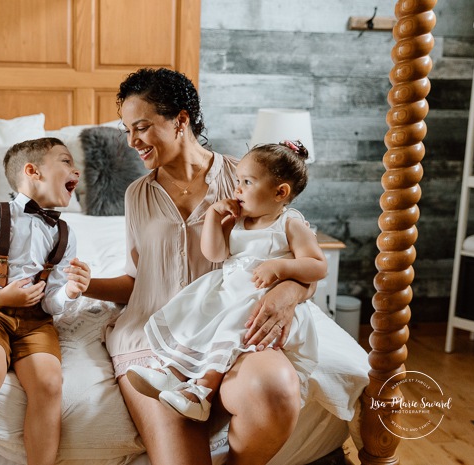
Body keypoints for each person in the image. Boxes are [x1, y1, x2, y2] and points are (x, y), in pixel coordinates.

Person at [83, 67, 315, 465]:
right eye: (126, 130)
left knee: (275, 389)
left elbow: (291, 256)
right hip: (155, 338)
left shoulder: (244, 177)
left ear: (181, 120)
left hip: (234, 327)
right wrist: (85, 285)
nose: (132, 141)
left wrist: (289, 291)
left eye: (141, 126)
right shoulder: (137, 194)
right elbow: (137, 282)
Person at [126, 140, 325, 423]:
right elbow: (215, 253)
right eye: (237, 181)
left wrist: (280, 266)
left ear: (280, 192)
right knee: (195, 314)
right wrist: (213, 217)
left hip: (257, 298)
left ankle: (201, 394)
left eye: (247, 181)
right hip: (228, 291)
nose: (237, 189)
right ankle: (171, 373)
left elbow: (318, 266)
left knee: (230, 331)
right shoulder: (240, 220)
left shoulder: (290, 224)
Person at [0, 137, 91, 465]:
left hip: (37, 322)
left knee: (50, 384)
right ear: (32, 171)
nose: (75, 170)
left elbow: (51, 301)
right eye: (65, 161)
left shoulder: (65, 233)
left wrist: (68, 292)